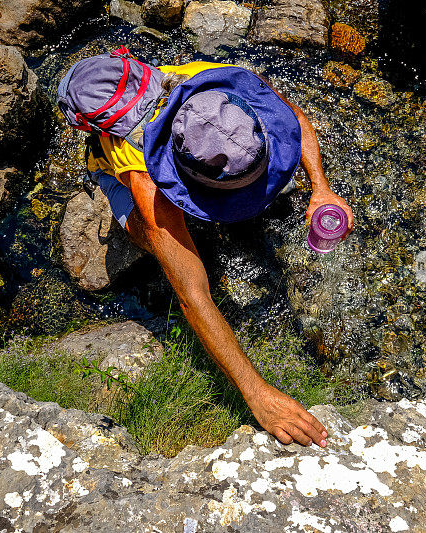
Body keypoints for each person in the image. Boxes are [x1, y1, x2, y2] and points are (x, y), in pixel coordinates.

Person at [57, 49, 353, 448]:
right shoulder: (148, 183)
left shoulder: (220, 81)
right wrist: (257, 393)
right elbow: (193, 297)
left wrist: (321, 187)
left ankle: (237, 188)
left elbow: (293, 117)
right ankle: (130, 195)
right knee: (148, 238)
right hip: (129, 174)